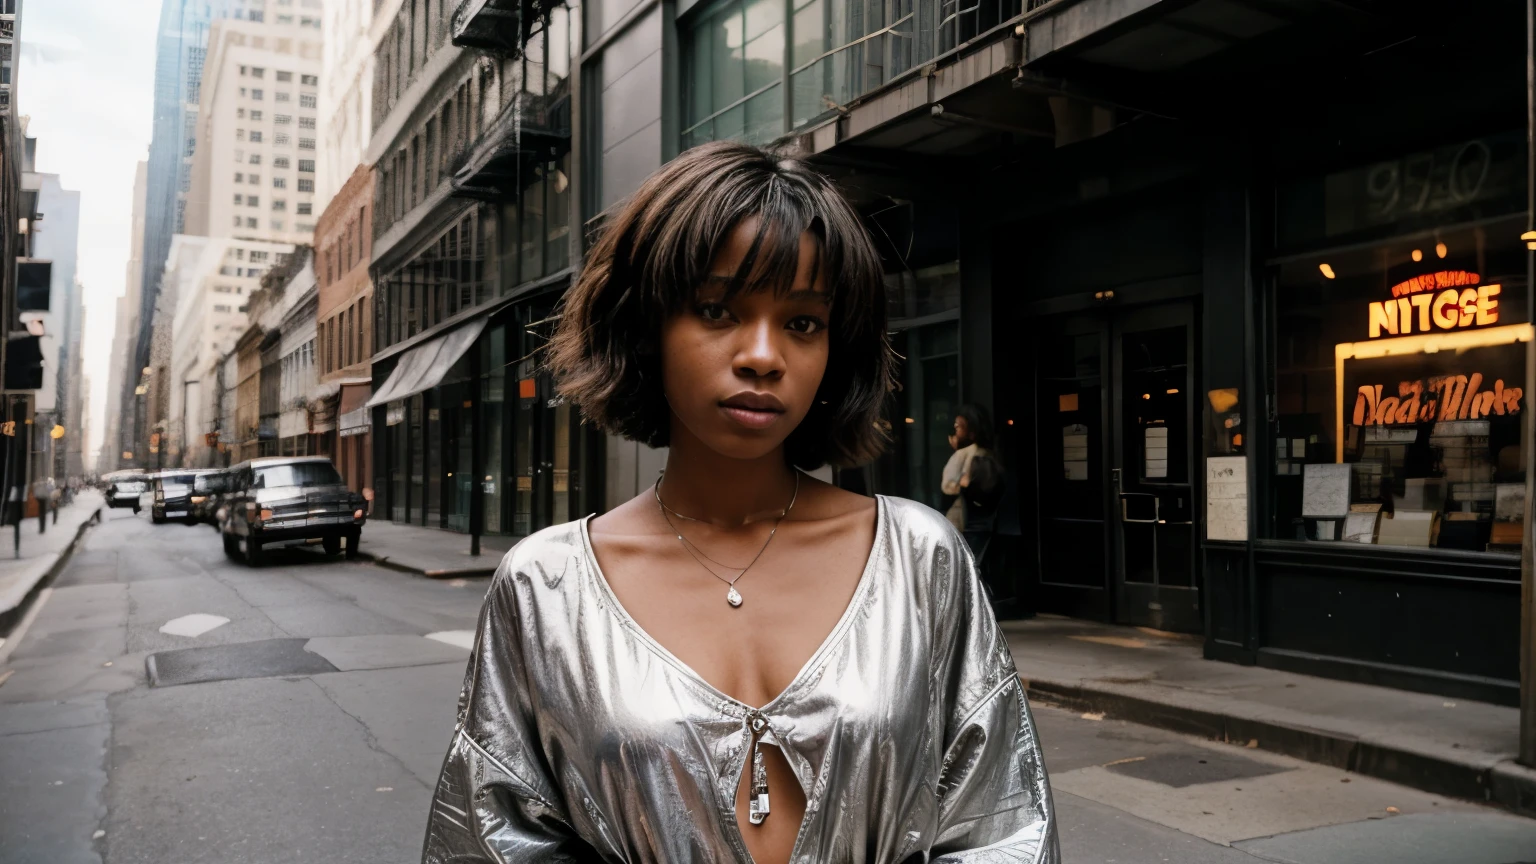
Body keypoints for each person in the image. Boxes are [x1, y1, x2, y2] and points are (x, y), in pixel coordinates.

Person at [421, 142, 1058, 864]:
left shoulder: (918, 560)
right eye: (718, 309)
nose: (763, 354)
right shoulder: (546, 585)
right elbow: (492, 838)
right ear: (646, 328)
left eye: (803, 322)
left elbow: (1002, 829)